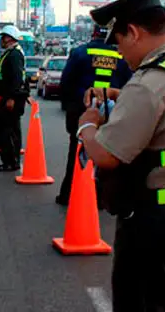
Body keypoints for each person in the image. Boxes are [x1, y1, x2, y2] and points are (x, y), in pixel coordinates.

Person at [77, 0, 165, 311]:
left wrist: (88, 126)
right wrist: (117, 94)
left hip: (154, 226)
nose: (121, 53)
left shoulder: (148, 83)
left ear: (135, 33)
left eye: (121, 42)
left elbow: (107, 154)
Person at [55, 24, 132, 206]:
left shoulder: (80, 52)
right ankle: (99, 198)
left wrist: (68, 106)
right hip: (110, 110)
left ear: (93, 33)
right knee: (106, 154)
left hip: (82, 110)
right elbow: (128, 85)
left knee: (76, 152)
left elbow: (66, 82)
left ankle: (68, 195)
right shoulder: (120, 57)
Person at [0, 25, 29, 172]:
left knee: (6, 131)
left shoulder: (14, 55)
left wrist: (11, 98)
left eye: (3, 37)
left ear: (9, 38)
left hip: (12, 98)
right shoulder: (12, 53)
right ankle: (11, 160)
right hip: (11, 96)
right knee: (11, 129)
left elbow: (16, 77)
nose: (1, 40)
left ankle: (11, 161)